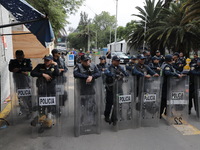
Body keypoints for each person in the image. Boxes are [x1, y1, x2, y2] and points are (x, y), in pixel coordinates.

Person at [30, 54, 60, 133]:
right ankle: (41, 123)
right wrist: (43, 74)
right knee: (41, 106)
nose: (45, 61)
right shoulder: (40, 66)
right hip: (41, 89)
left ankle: (48, 121)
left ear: (51, 60)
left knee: (50, 107)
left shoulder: (54, 67)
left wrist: (56, 65)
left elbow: (57, 74)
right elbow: (32, 73)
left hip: (51, 90)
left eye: (47, 60)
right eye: (45, 60)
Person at [73, 55, 101, 128]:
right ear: (81, 61)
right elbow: (75, 74)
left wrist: (92, 77)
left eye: (88, 60)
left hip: (92, 89)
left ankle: (93, 121)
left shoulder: (93, 66)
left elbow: (98, 73)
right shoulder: (78, 66)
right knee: (82, 106)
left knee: (92, 105)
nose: (87, 62)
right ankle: (81, 121)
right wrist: (86, 77)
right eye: (85, 61)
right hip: (82, 90)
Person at [104, 55, 129, 126]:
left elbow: (126, 74)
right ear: (113, 61)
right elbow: (106, 72)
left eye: (119, 61)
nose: (118, 62)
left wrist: (122, 74)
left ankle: (114, 117)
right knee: (109, 103)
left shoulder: (120, 68)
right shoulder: (108, 67)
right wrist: (115, 75)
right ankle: (106, 116)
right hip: (110, 88)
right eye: (117, 61)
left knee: (118, 103)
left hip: (119, 88)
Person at [9, 50, 32, 117]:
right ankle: (23, 110)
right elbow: (11, 69)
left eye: (21, 56)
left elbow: (29, 68)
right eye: (18, 56)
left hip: (26, 81)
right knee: (20, 97)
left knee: (28, 96)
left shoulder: (27, 61)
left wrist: (19, 69)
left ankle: (30, 110)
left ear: (23, 55)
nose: (20, 57)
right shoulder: (13, 61)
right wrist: (22, 70)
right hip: (17, 81)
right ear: (16, 56)